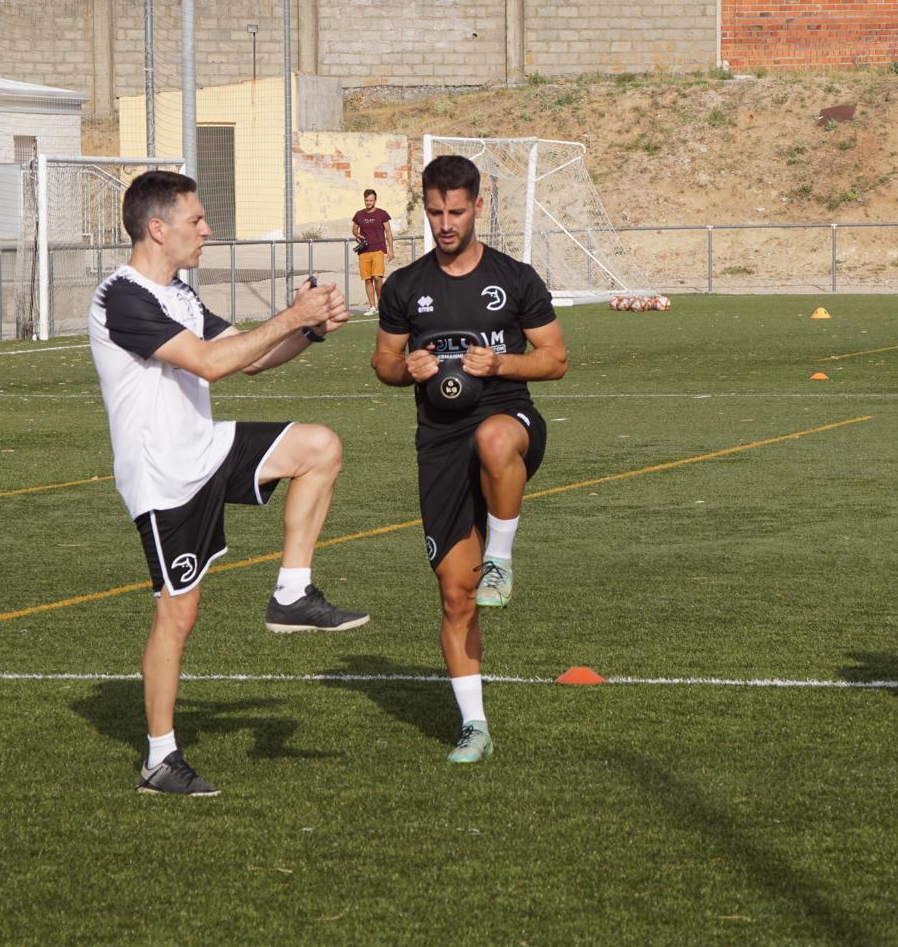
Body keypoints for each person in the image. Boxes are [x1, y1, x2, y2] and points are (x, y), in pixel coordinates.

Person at [89, 170, 368, 797]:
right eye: (196, 220)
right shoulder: (122, 297)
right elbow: (212, 365)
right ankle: (159, 759)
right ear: (158, 229)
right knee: (177, 615)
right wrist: (291, 315)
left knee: (319, 446)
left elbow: (248, 354)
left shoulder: (179, 294)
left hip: (206, 447)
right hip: (164, 477)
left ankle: (291, 595)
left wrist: (309, 329)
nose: (206, 229)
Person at [370, 155, 568, 764]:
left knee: (494, 439)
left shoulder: (515, 278)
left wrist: (501, 363)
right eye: (434, 212)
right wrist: (407, 369)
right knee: (456, 595)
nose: (445, 223)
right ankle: (474, 726)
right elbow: (382, 364)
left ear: (477, 206)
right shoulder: (406, 286)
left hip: (511, 423)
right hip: (439, 443)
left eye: (456, 212)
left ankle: (501, 561)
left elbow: (556, 359)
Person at [351, 188, 394, 316]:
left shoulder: (382, 214)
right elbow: (354, 229)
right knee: (368, 279)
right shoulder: (359, 214)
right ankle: (372, 306)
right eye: (366, 200)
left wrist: (390, 249)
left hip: (378, 249)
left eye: (370, 200)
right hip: (364, 251)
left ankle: (382, 305)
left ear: (375, 200)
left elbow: (388, 232)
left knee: (377, 277)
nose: (368, 202)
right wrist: (357, 235)